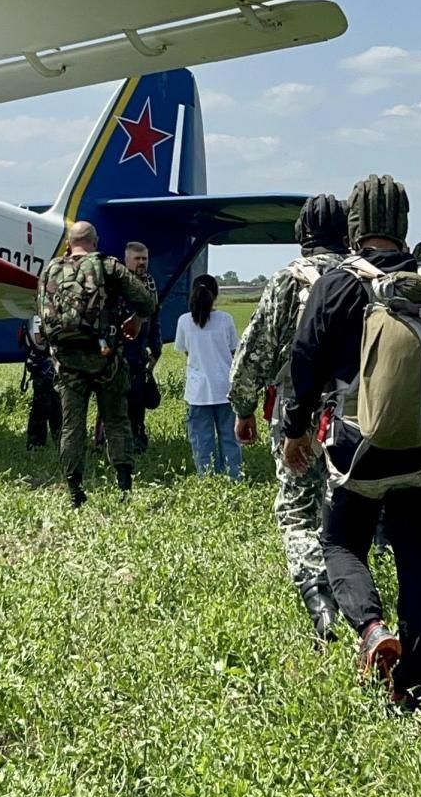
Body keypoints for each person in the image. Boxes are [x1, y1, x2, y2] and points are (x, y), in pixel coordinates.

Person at [280, 175, 421, 710]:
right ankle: (410, 690)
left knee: (340, 543)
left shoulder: (340, 283)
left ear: (356, 225)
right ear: (404, 224)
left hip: (358, 449)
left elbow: (306, 362)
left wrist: (296, 430)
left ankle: (371, 629)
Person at [229, 195, 350, 644]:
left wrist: (243, 410)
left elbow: (253, 352)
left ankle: (320, 603)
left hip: (295, 412)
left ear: (302, 235)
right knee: (343, 505)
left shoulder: (288, 280)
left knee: (297, 511)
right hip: (354, 412)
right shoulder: (363, 278)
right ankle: (354, 590)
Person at [36, 220, 157, 507]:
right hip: (105, 359)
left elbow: (41, 312)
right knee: (116, 421)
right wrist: (137, 319)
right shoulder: (108, 266)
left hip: (66, 362)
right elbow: (147, 302)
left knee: (71, 427)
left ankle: (75, 491)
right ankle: (124, 486)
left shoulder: (50, 269)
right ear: (95, 241)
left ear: (69, 243)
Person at [176, 274, 242, 480]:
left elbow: (185, 350)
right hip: (224, 388)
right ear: (216, 294)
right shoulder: (226, 319)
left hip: (198, 392)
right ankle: (234, 477)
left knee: (201, 440)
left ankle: (207, 478)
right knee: (229, 438)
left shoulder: (185, 321)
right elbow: (234, 350)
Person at [118, 242, 162, 454]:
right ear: (127, 261)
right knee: (114, 406)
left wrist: (156, 351)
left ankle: (137, 443)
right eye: (137, 259)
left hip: (139, 357)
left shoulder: (151, 286)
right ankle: (107, 444)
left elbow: (155, 322)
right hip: (118, 356)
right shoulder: (117, 287)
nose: (142, 263)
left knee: (138, 404)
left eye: (144, 258)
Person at [17, 321, 59, 451]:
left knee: (51, 407)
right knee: (45, 408)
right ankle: (37, 443)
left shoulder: (35, 317)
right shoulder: (37, 318)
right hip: (45, 369)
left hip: (44, 369)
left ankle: (44, 443)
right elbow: (39, 342)